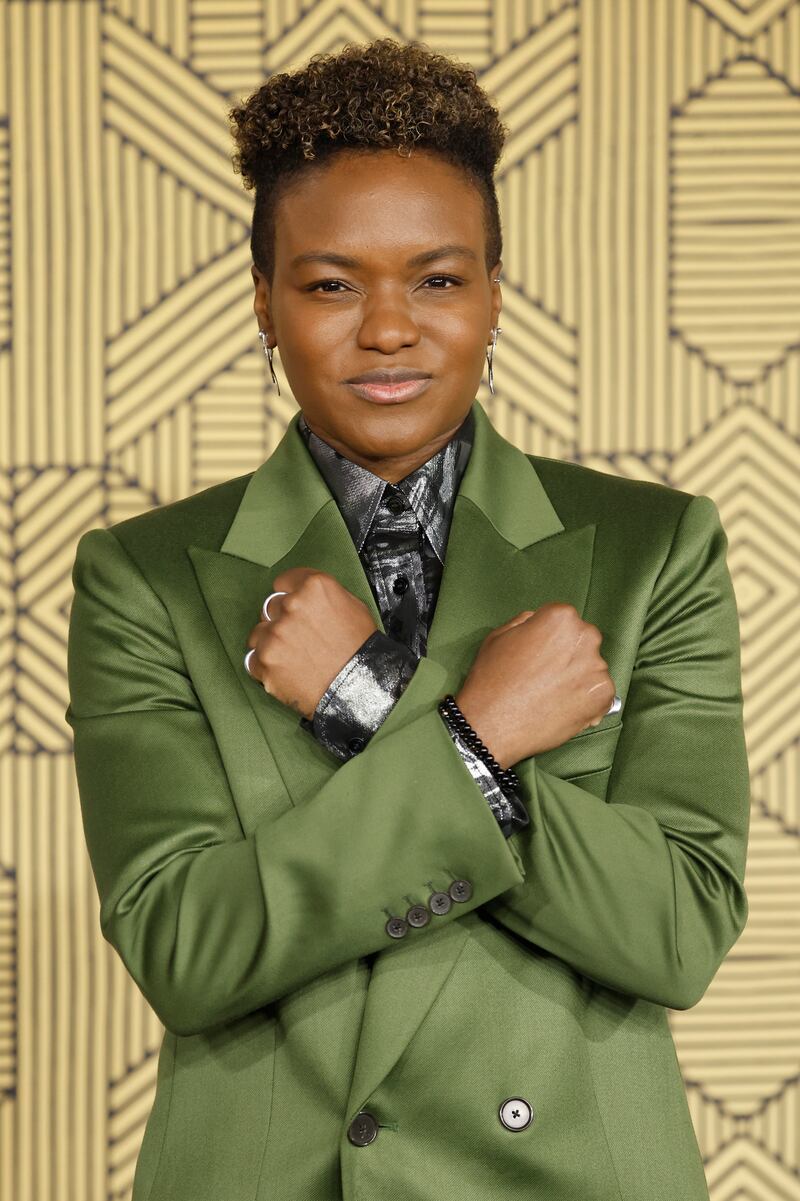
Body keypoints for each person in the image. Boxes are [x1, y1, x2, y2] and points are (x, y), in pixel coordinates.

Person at [65, 36, 750, 1201]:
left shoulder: (655, 549)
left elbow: (674, 930)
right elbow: (187, 948)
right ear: (265, 307)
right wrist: (476, 740)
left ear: (494, 293)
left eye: (436, 278)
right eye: (330, 283)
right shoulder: (146, 577)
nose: (387, 328)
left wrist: (368, 693)